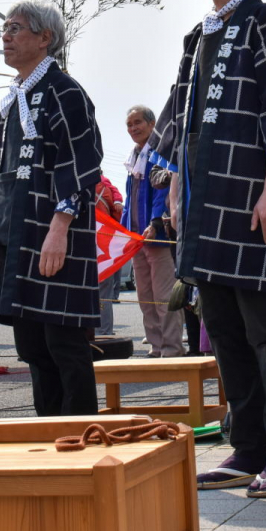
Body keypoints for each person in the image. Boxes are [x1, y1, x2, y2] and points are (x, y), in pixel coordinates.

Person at [152, 0, 266, 498]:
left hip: (252, 200)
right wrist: (174, 186)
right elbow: (182, 119)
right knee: (222, 329)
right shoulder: (199, 36)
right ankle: (244, 449)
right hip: (204, 205)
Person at [0, 0, 105, 418]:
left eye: (15, 28)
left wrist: (60, 229)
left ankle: (82, 441)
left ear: (45, 39)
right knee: (33, 347)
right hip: (17, 237)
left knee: (63, 342)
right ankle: (50, 435)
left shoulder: (65, 92)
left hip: (53, 236)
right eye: (4, 28)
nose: (5, 36)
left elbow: (83, 164)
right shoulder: (15, 100)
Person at [122, 106, 183, 357]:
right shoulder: (134, 157)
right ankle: (156, 346)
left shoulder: (159, 153)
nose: (133, 128)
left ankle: (171, 348)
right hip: (137, 239)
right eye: (129, 125)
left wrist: (156, 222)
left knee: (163, 296)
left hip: (157, 237)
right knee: (145, 296)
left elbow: (163, 194)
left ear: (152, 124)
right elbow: (129, 200)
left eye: (138, 122)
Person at [94, 174, 123, 337]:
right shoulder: (106, 187)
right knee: (104, 291)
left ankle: (88, 330)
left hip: (82, 243)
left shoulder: (77, 183)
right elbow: (117, 211)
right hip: (105, 244)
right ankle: (104, 331)